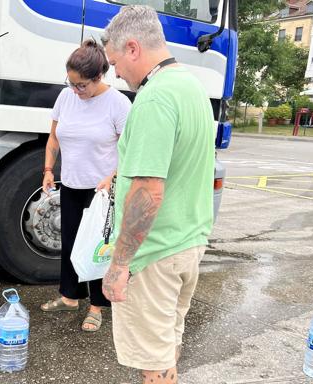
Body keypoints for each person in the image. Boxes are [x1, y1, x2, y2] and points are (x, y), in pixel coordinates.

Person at [101, 5, 215, 384]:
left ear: (133, 48)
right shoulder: (190, 86)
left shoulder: (154, 98)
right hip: (187, 243)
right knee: (166, 346)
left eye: (115, 61)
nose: (115, 72)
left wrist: (119, 266)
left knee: (153, 361)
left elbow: (148, 192)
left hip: (154, 256)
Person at [39, 40, 131, 332]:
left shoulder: (117, 103)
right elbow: (53, 138)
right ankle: (69, 296)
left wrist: (114, 175)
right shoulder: (66, 98)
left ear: (99, 77)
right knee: (70, 243)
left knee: (96, 249)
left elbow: (131, 149)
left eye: (82, 85)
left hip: (102, 190)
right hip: (72, 184)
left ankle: (97, 306)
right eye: (71, 83)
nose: (76, 90)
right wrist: (48, 169)